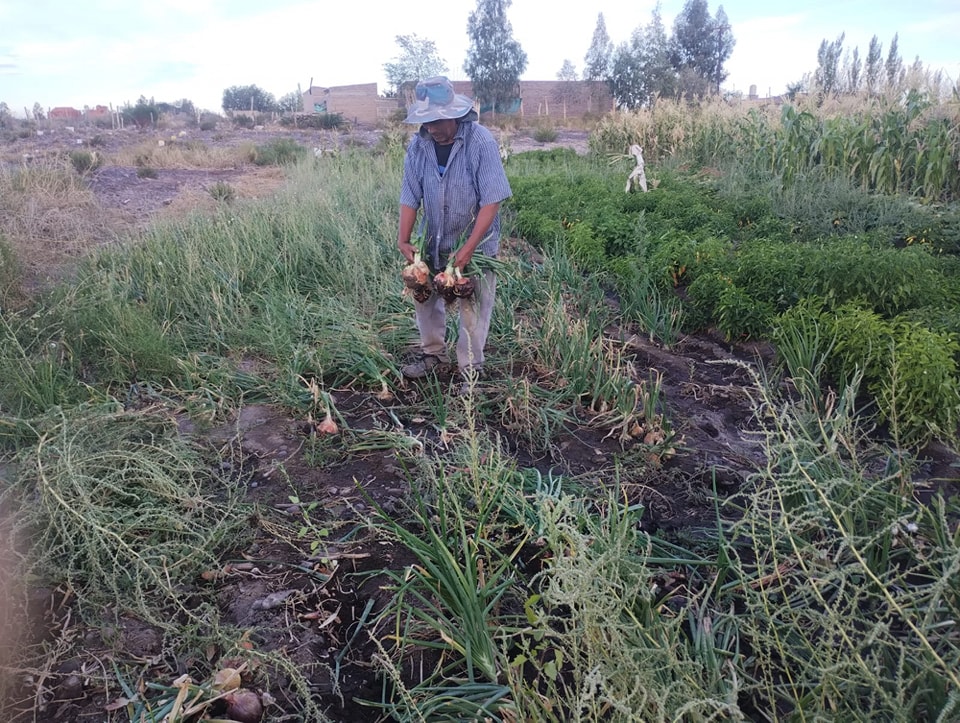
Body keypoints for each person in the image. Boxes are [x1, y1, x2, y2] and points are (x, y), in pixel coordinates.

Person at [396, 76, 512, 391]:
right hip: (433, 240)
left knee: (472, 307)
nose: (431, 127)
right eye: (426, 120)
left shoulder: (480, 141)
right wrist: (403, 239)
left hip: (474, 244)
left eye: (437, 120)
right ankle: (434, 356)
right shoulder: (419, 146)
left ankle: (471, 371)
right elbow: (410, 196)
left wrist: (469, 249)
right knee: (425, 300)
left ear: (455, 115)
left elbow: (492, 200)